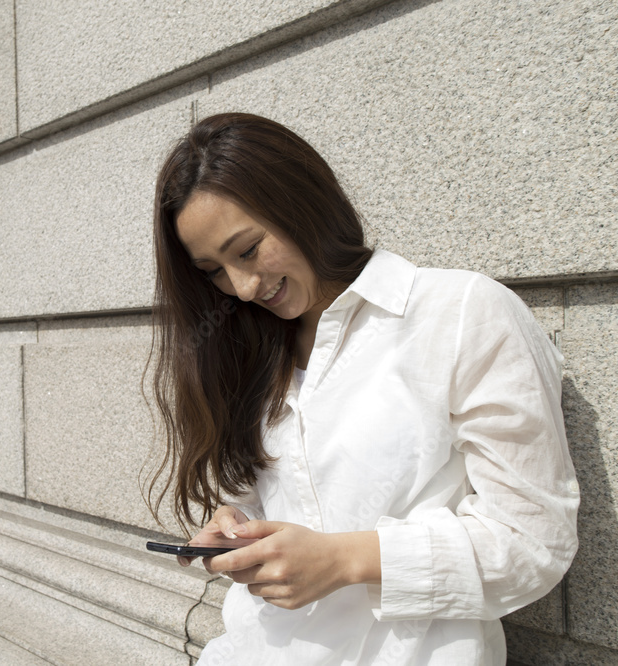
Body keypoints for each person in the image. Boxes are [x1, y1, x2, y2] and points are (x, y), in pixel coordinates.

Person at [147, 113, 579, 665]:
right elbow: (287, 498)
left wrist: (345, 560)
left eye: (249, 249)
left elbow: (534, 543)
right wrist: (239, 529)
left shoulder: (461, 314)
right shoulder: (252, 352)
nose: (244, 287)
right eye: (214, 271)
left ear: (303, 203)